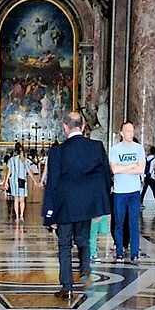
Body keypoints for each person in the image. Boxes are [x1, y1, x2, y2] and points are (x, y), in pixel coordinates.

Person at [39, 111, 112, 298]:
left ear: (65, 127)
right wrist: (100, 207)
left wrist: (49, 215)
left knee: (64, 245)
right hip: (86, 206)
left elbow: (52, 184)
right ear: (84, 126)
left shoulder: (57, 152)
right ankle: (85, 269)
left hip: (63, 207)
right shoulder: (96, 147)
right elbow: (105, 179)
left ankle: (67, 287)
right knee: (83, 239)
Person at [107, 121, 147, 262]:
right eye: (128, 131)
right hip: (119, 192)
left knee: (134, 223)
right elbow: (115, 170)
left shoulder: (139, 149)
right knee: (119, 223)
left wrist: (123, 168)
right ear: (122, 133)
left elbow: (141, 169)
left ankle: (134, 253)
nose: (131, 133)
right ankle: (119, 252)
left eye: (132, 130)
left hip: (134, 192)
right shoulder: (115, 149)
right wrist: (131, 165)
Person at [6, 148, 33, 226]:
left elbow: (9, 171)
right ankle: (20, 216)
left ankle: (18, 217)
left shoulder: (12, 160)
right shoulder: (25, 160)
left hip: (14, 181)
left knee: (17, 200)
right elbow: (29, 171)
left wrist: (6, 181)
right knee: (21, 200)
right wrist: (34, 181)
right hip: (22, 181)